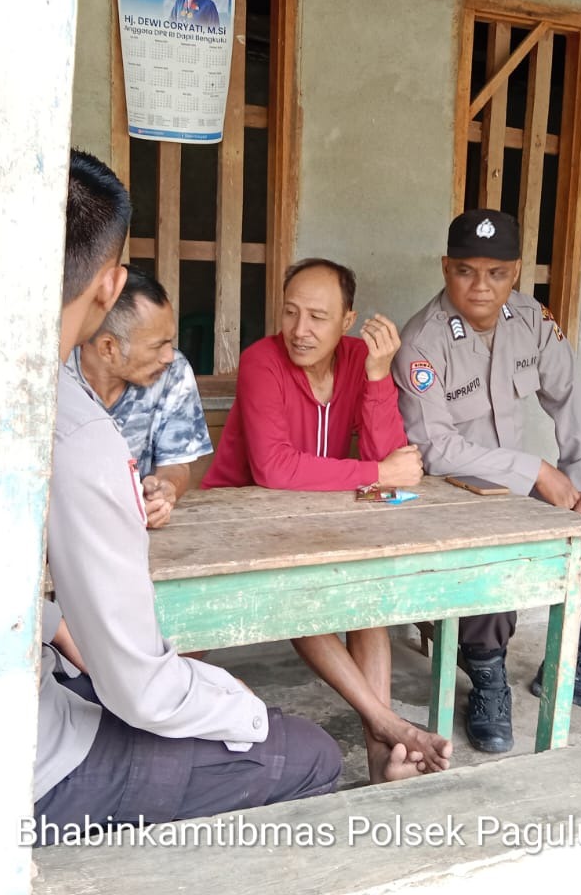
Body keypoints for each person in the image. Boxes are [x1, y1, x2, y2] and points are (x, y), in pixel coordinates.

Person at [0, 151, 341, 836]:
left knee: (131, 681)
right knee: (305, 752)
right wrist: (243, 706)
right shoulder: (69, 429)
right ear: (110, 285)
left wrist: (63, 630)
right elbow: (142, 690)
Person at [202, 258, 452, 783]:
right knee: (304, 594)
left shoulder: (361, 359)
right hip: (238, 521)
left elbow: (393, 466)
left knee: (367, 600)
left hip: (321, 516)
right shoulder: (261, 361)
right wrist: (377, 472)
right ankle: (389, 726)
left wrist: (379, 377)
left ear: (347, 320)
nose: (300, 330)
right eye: (290, 312)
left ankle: (380, 757)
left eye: (318, 317)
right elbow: (273, 469)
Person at [392, 209, 581, 754]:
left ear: (516, 272)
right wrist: (538, 471)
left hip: (518, 491)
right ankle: (487, 678)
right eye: (466, 271)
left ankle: (569, 661)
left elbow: (571, 398)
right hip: (453, 496)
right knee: (495, 553)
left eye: (497, 273)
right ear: (446, 268)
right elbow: (437, 449)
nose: (481, 286)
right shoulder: (422, 341)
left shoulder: (532, 321)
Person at [66, 265, 211, 529]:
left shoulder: (174, 372)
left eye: (170, 342)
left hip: (138, 533)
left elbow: (176, 464)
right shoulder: (56, 377)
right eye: (157, 346)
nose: (169, 356)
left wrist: (164, 490)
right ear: (108, 348)